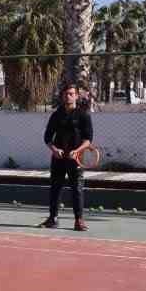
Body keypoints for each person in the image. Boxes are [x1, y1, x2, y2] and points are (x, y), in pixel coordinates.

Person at [41, 82, 93, 232]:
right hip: (58, 158)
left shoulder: (83, 115)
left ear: (76, 96)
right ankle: (53, 218)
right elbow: (47, 137)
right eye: (65, 94)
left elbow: (88, 139)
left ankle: (79, 221)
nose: (68, 96)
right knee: (55, 188)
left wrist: (77, 151)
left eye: (71, 94)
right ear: (62, 96)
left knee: (76, 188)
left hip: (76, 158)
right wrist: (54, 149)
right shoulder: (56, 115)